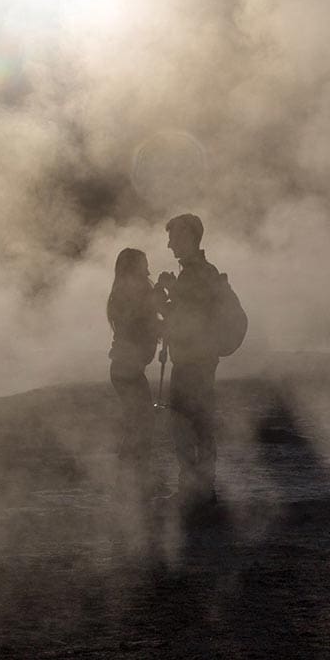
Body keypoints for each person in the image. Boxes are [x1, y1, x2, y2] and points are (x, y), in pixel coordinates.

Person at [156, 213, 223, 511]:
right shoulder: (201, 272)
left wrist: (167, 299)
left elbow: (188, 321)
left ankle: (195, 491)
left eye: (174, 238)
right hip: (199, 360)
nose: (169, 244)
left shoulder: (196, 274)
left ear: (188, 238)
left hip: (193, 362)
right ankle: (202, 490)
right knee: (198, 423)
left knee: (187, 424)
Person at [106, 247, 163, 500]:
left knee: (139, 424)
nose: (147, 268)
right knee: (141, 425)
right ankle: (131, 482)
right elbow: (142, 322)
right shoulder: (130, 294)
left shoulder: (127, 293)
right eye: (143, 264)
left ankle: (132, 481)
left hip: (126, 367)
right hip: (127, 368)